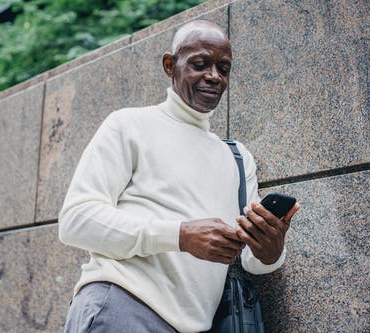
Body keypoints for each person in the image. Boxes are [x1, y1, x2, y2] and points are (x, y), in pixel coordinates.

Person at [59, 20, 300, 333]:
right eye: (200, 64)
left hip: (195, 327)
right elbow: (76, 221)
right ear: (170, 65)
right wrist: (180, 235)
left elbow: (252, 261)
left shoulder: (237, 158)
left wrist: (271, 248)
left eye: (223, 68)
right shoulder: (129, 125)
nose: (214, 76)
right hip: (123, 307)